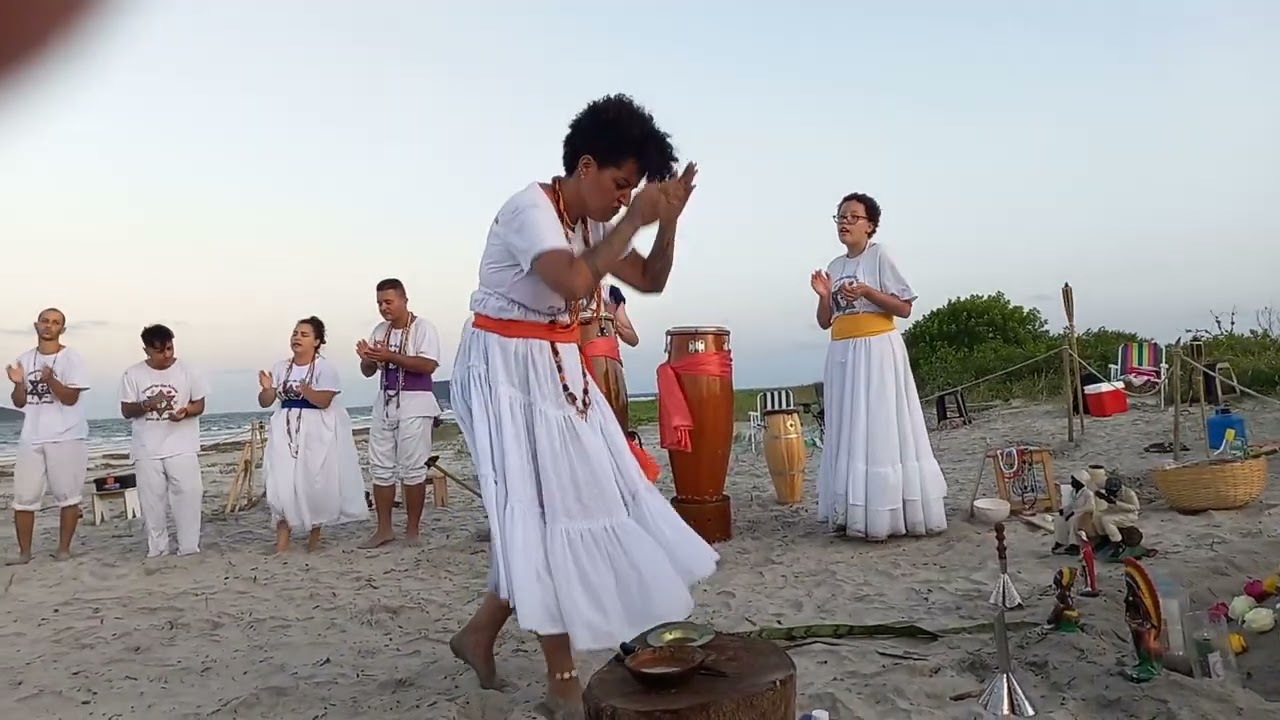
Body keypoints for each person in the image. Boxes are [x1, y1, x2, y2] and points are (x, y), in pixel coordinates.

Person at [447, 93, 717, 718]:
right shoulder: (528, 210)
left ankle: (478, 635)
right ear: (586, 165)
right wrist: (634, 219)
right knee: (544, 512)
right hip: (503, 369)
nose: (624, 199)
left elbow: (649, 279)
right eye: (621, 185)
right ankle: (563, 680)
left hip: (558, 365)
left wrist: (667, 217)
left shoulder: (593, 219)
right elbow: (571, 281)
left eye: (633, 190)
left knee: (586, 499)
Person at [812, 192, 948, 542]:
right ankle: (850, 512)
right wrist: (825, 296)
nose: (844, 222)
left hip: (875, 350)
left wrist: (868, 292)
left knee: (877, 426)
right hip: (842, 353)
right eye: (840, 216)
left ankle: (886, 514)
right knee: (847, 427)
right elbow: (825, 322)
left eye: (853, 217)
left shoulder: (880, 255)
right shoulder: (835, 265)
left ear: (869, 225)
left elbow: (903, 309)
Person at [258, 316, 366, 553]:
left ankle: (314, 537)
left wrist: (307, 392)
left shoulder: (324, 368)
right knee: (281, 481)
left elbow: (325, 401)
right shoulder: (280, 367)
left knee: (313, 482)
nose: (297, 337)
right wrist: (268, 389)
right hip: (284, 427)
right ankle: (282, 541)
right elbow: (266, 402)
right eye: (295, 333)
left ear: (317, 341)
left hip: (315, 429)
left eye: (304, 334)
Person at [356, 278, 443, 548]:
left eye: (389, 302)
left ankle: (412, 530)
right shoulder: (380, 330)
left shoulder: (423, 327)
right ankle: (384, 529)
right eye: (380, 303)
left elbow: (428, 365)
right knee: (380, 467)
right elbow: (368, 371)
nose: (384, 308)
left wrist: (390, 357)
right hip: (385, 402)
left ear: (404, 299)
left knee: (413, 468)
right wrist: (368, 360)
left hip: (415, 402)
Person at [5, 308, 91, 564]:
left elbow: (70, 398)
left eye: (55, 323)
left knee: (68, 495)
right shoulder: (24, 358)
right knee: (23, 498)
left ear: (62, 329)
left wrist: (51, 380)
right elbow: (19, 403)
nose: (49, 326)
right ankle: (24, 553)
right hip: (32, 435)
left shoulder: (72, 359)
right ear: (36, 325)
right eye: (45, 321)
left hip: (66, 435)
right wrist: (19, 383)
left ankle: (63, 549)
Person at [118, 324, 208, 558]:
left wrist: (185, 412)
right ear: (147, 350)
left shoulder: (188, 371)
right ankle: (157, 549)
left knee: (189, 493)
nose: (166, 355)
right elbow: (127, 410)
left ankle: (189, 547)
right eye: (159, 351)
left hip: (182, 444)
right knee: (152, 502)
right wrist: (146, 405)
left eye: (169, 348)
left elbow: (199, 403)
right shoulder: (133, 374)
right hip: (147, 447)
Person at [1094, 476, 1141, 560]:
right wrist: (1105, 498)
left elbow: (1136, 507)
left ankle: (1117, 542)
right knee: (1097, 515)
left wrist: (1116, 503)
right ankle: (1104, 538)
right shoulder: (1110, 493)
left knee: (1107, 520)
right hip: (1115, 511)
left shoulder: (1129, 493)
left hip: (1128, 515)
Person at [1052, 469, 1095, 556]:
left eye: (1074, 480)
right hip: (1074, 512)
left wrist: (1075, 512)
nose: (1072, 482)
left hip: (1084, 514)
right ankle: (1061, 541)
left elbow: (1091, 507)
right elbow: (1071, 505)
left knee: (1073, 520)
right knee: (1059, 518)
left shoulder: (1088, 493)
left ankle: (1074, 545)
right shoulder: (1073, 492)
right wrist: (1064, 510)